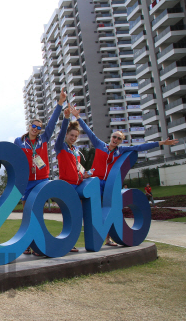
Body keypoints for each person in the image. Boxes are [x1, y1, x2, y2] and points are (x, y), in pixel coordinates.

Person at [70, 105, 178, 246]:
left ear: (121, 141)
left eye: (119, 138)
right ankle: (92, 237)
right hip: (95, 182)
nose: (116, 139)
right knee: (92, 210)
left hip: (109, 185)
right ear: (111, 137)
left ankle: (108, 239)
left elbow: (140, 147)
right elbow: (89, 132)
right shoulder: (100, 145)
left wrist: (161, 143)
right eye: (114, 137)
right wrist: (77, 117)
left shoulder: (120, 151)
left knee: (107, 210)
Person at [14, 87, 67, 255]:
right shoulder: (19, 141)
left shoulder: (43, 139)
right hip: (26, 182)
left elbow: (52, 123)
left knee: (37, 213)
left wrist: (60, 102)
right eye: (33, 126)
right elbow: (14, 160)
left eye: (38, 127)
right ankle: (28, 244)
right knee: (27, 214)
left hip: (42, 180)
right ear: (29, 126)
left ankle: (38, 245)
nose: (35, 129)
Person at [54, 105, 91, 253]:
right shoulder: (60, 147)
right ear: (67, 134)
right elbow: (62, 132)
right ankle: (67, 242)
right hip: (67, 185)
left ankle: (72, 242)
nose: (74, 138)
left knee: (77, 215)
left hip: (79, 185)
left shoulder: (76, 150)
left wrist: (85, 173)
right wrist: (66, 118)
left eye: (76, 136)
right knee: (68, 215)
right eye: (71, 135)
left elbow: (78, 166)